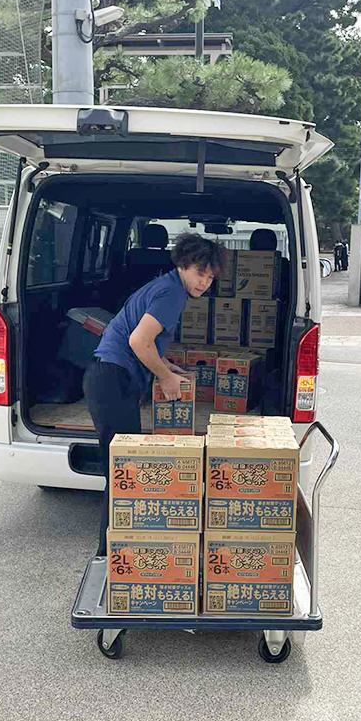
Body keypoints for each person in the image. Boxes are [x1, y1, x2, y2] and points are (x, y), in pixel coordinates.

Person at [83, 232, 223, 555]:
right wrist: (164, 378)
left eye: (211, 277)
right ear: (184, 265)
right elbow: (137, 342)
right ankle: (110, 556)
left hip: (111, 378)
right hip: (110, 380)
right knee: (123, 473)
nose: (204, 283)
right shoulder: (171, 295)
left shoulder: (168, 287)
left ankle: (118, 550)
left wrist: (167, 366)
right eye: (200, 273)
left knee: (122, 470)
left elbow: (146, 342)